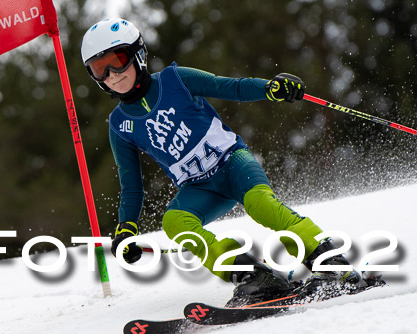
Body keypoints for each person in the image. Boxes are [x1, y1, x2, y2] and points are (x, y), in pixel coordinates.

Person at [80, 18, 369, 305]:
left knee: (261, 204)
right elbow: (131, 184)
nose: (112, 75)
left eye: (117, 60)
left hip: (232, 163)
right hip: (199, 188)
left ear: (138, 54)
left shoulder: (175, 80)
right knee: (174, 221)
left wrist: (270, 87)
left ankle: (331, 263)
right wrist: (126, 228)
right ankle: (252, 276)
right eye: (99, 69)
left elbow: (231, 87)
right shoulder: (120, 125)